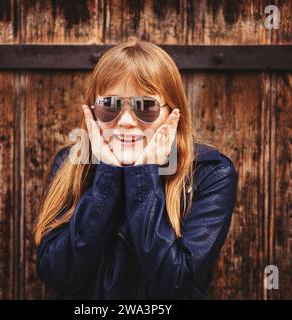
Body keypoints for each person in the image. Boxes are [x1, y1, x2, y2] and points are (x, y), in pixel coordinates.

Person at [34, 39, 238, 299]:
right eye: (110, 105)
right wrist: (106, 177)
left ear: (172, 113)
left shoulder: (209, 173)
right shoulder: (70, 164)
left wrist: (143, 174)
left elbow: (175, 283)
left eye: (145, 106)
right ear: (93, 112)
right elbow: (56, 273)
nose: (127, 121)